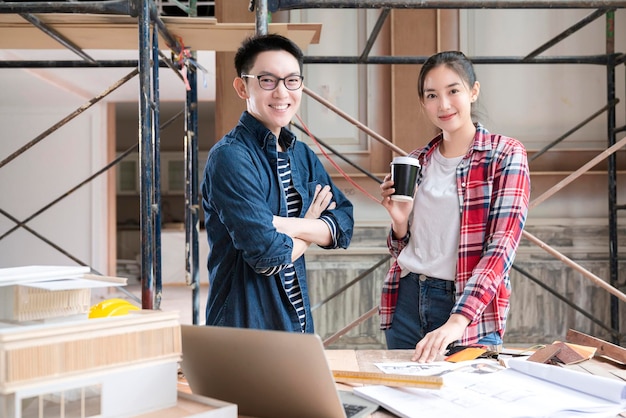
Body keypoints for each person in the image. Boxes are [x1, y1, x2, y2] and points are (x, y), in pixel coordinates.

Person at [379, 51, 530, 363]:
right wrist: (399, 223)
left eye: (453, 91)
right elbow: (402, 250)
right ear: (423, 103)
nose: (443, 105)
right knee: (406, 404)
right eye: (432, 95)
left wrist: (457, 321)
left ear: (473, 92)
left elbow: (501, 248)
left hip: (468, 311)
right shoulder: (416, 161)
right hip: (406, 300)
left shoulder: (505, 155)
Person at [201, 33, 354, 333]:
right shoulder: (230, 158)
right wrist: (312, 226)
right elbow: (267, 258)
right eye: (267, 80)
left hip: (296, 326)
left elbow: (344, 225)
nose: (282, 92)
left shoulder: (301, 154)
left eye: (291, 80)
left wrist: (286, 225)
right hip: (245, 331)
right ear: (242, 87)